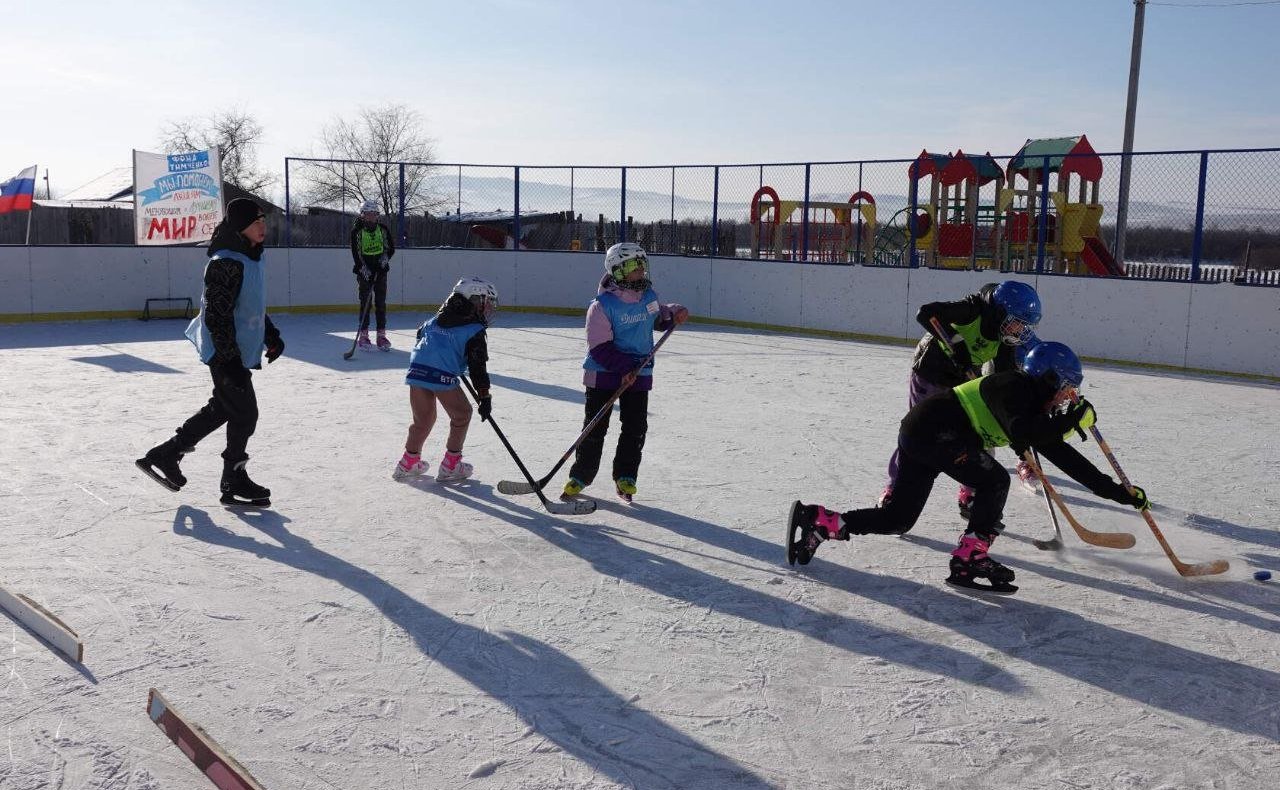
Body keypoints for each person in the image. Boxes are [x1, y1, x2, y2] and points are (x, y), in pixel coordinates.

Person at [787, 342, 1150, 594]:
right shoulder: (1013, 386)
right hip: (933, 431)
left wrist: (1120, 494)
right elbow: (1024, 431)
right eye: (1067, 389)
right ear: (1049, 379)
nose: (1067, 398)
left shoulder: (1033, 410)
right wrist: (1071, 424)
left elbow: (1068, 460)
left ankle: (821, 521)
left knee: (898, 518)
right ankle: (971, 557)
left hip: (926, 435)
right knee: (993, 479)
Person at [135, 198, 285, 507]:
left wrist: (270, 335)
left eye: (263, 220)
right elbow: (217, 315)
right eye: (256, 221)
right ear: (240, 226)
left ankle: (167, 454)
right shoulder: (225, 262)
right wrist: (229, 361)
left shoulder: (251, 257)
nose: (262, 226)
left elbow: (250, 304)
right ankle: (232, 477)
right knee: (244, 412)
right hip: (223, 351)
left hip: (236, 350)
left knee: (225, 407)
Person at [881, 280, 1042, 517]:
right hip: (931, 372)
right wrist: (957, 345)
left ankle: (972, 492)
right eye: (1018, 323)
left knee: (975, 436)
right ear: (1001, 313)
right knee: (919, 435)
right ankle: (896, 490)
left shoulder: (1004, 338)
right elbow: (926, 313)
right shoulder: (972, 309)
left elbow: (1001, 379)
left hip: (963, 378)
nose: (1020, 331)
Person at [560, 243, 688, 503]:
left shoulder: (648, 297)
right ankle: (581, 475)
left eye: (641, 265)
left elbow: (658, 319)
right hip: (604, 374)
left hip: (638, 374)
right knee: (595, 428)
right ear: (617, 270)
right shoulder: (602, 306)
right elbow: (599, 348)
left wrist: (674, 313)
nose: (639, 270)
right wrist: (623, 368)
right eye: (632, 266)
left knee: (635, 427)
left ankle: (626, 476)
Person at [393, 277, 498, 483]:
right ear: (476, 300)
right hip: (440, 373)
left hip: (417, 370)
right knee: (462, 414)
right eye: (487, 302)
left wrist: (448, 355)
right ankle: (451, 465)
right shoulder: (474, 330)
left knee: (423, 421)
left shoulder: (434, 319)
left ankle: (408, 462)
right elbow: (478, 368)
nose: (489, 309)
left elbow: (420, 334)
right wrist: (484, 397)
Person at [350, 199, 396, 351]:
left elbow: (390, 248)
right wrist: (365, 270)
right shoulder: (357, 231)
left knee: (381, 303)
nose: (371, 217)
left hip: (381, 271)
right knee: (366, 303)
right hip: (365, 272)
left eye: (373, 214)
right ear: (362, 215)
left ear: (377, 215)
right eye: (367, 214)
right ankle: (364, 336)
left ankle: (381, 336)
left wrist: (383, 261)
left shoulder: (382, 229)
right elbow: (356, 254)